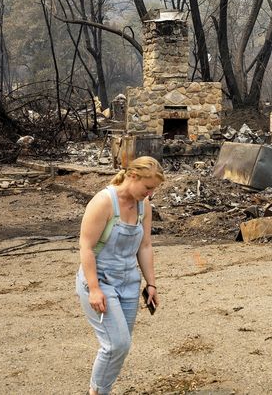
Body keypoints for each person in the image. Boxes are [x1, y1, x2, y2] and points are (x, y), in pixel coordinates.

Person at [76, 156, 164, 395]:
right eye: (148, 188)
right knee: (117, 344)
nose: (150, 194)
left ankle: (100, 390)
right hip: (100, 280)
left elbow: (144, 246)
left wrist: (151, 283)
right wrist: (94, 289)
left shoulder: (143, 206)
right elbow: (86, 247)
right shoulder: (104, 202)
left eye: (153, 189)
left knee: (119, 347)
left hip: (128, 283)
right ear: (132, 176)